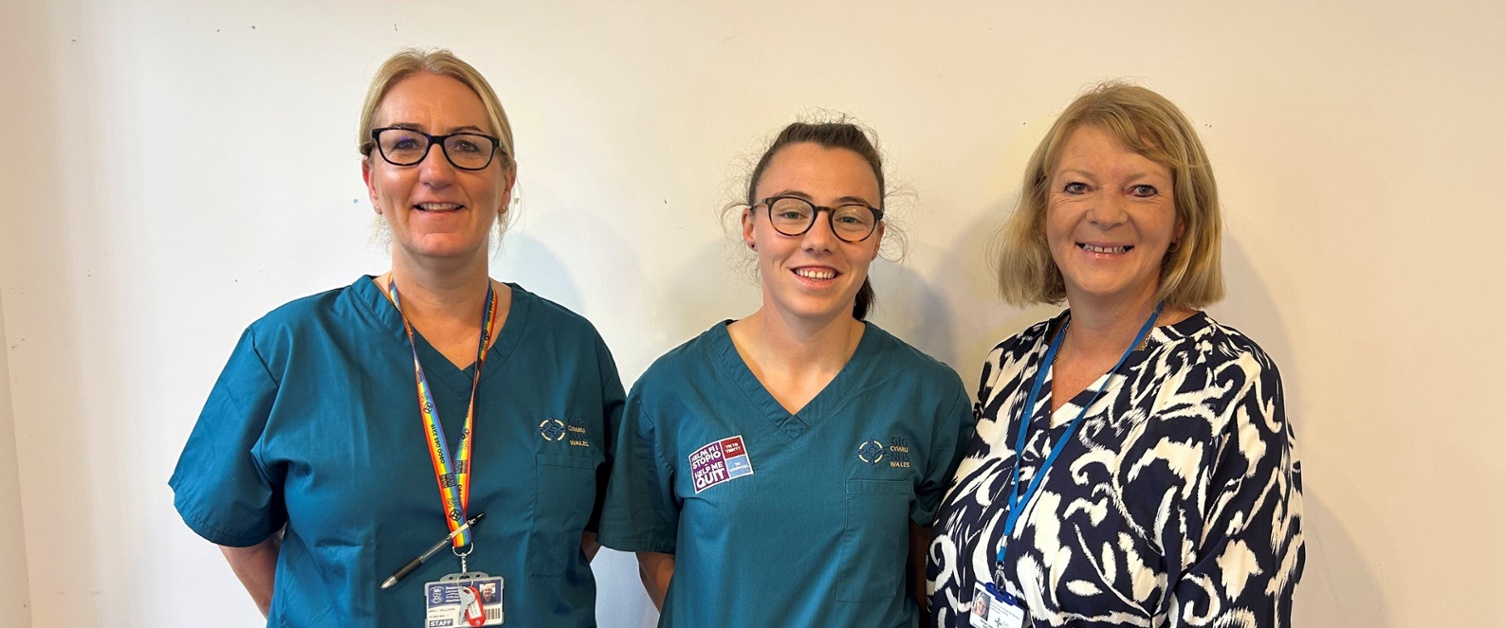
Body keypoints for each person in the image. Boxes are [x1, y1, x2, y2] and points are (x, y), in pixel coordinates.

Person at [170, 48, 623, 627]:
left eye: (466, 145)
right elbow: (236, 530)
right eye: (405, 144)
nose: (436, 171)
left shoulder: (572, 351)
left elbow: (585, 530)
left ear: (505, 180)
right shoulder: (288, 348)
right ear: (371, 176)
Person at [926, 83, 1304, 627]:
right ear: (1043, 213)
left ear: (1182, 221)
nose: (1105, 213)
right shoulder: (1010, 364)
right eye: (1078, 187)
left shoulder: (1230, 383)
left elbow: (1245, 607)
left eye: (1142, 190)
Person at [597, 120, 974, 627]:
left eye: (850, 217)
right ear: (751, 227)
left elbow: (932, 574)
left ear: (876, 237)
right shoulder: (672, 391)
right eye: (792, 212)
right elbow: (656, 557)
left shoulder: (928, 396)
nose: (820, 239)